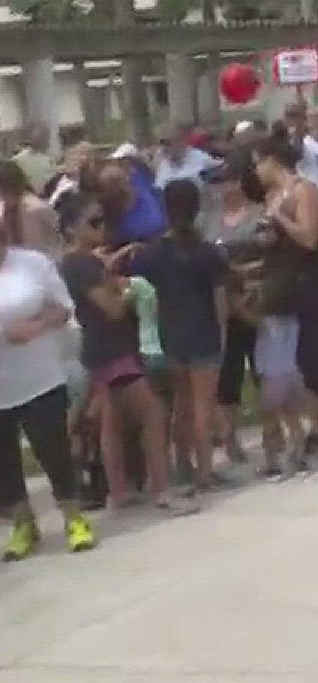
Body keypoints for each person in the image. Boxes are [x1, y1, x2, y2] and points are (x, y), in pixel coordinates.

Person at [57, 193, 187, 512]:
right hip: (114, 348)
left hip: (100, 348)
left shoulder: (75, 262)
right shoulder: (83, 264)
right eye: (93, 222)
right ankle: (162, 492)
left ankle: (119, 489)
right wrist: (128, 291)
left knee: (112, 422)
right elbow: (112, 310)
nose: (102, 228)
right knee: (152, 415)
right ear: (72, 229)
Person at [0, 199, 95, 560]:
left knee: (53, 449)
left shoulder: (33, 265)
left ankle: (73, 517)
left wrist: (35, 326)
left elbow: (63, 307)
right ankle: (24, 524)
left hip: (40, 377)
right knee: (4, 461)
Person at [251, 135, 318, 466]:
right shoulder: (272, 195)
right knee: (295, 361)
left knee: (311, 357)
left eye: (258, 162)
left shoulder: (303, 190)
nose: (256, 170)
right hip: (283, 280)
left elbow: (309, 238)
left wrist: (280, 217)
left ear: (272, 161)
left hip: (309, 281)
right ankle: (317, 426)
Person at [124, 181, 230, 493]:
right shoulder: (208, 253)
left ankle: (183, 464)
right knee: (203, 407)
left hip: (170, 333)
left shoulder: (154, 254)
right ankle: (206, 473)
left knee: (180, 406)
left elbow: (132, 283)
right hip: (204, 332)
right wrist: (222, 334)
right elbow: (220, 301)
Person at [199, 164, 260, 465]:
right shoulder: (207, 221)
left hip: (256, 296)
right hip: (223, 305)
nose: (222, 188)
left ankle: (276, 430)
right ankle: (230, 436)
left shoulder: (258, 213)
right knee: (229, 374)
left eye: (227, 181)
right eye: (217, 183)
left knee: (266, 368)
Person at [154, 123, 218, 188]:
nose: (164, 148)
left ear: (182, 141)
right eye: (162, 143)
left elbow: (222, 170)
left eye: (168, 143)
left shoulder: (201, 159)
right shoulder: (162, 164)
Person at [11, 124, 57, 198]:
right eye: (41, 137)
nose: (45, 140)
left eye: (45, 137)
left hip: (50, 197)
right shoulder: (18, 160)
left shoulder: (50, 158)